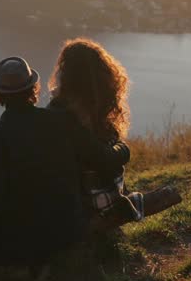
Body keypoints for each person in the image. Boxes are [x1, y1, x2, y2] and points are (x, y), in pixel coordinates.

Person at [0, 56, 129, 272]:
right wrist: (123, 148)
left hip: (19, 247)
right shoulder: (62, 121)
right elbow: (103, 158)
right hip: (68, 233)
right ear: (34, 88)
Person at [48, 38, 144, 222]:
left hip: (76, 199)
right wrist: (123, 148)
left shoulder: (62, 111)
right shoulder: (90, 111)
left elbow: (102, 158)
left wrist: (122, 150)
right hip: (90, 198)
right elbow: (105, 158)